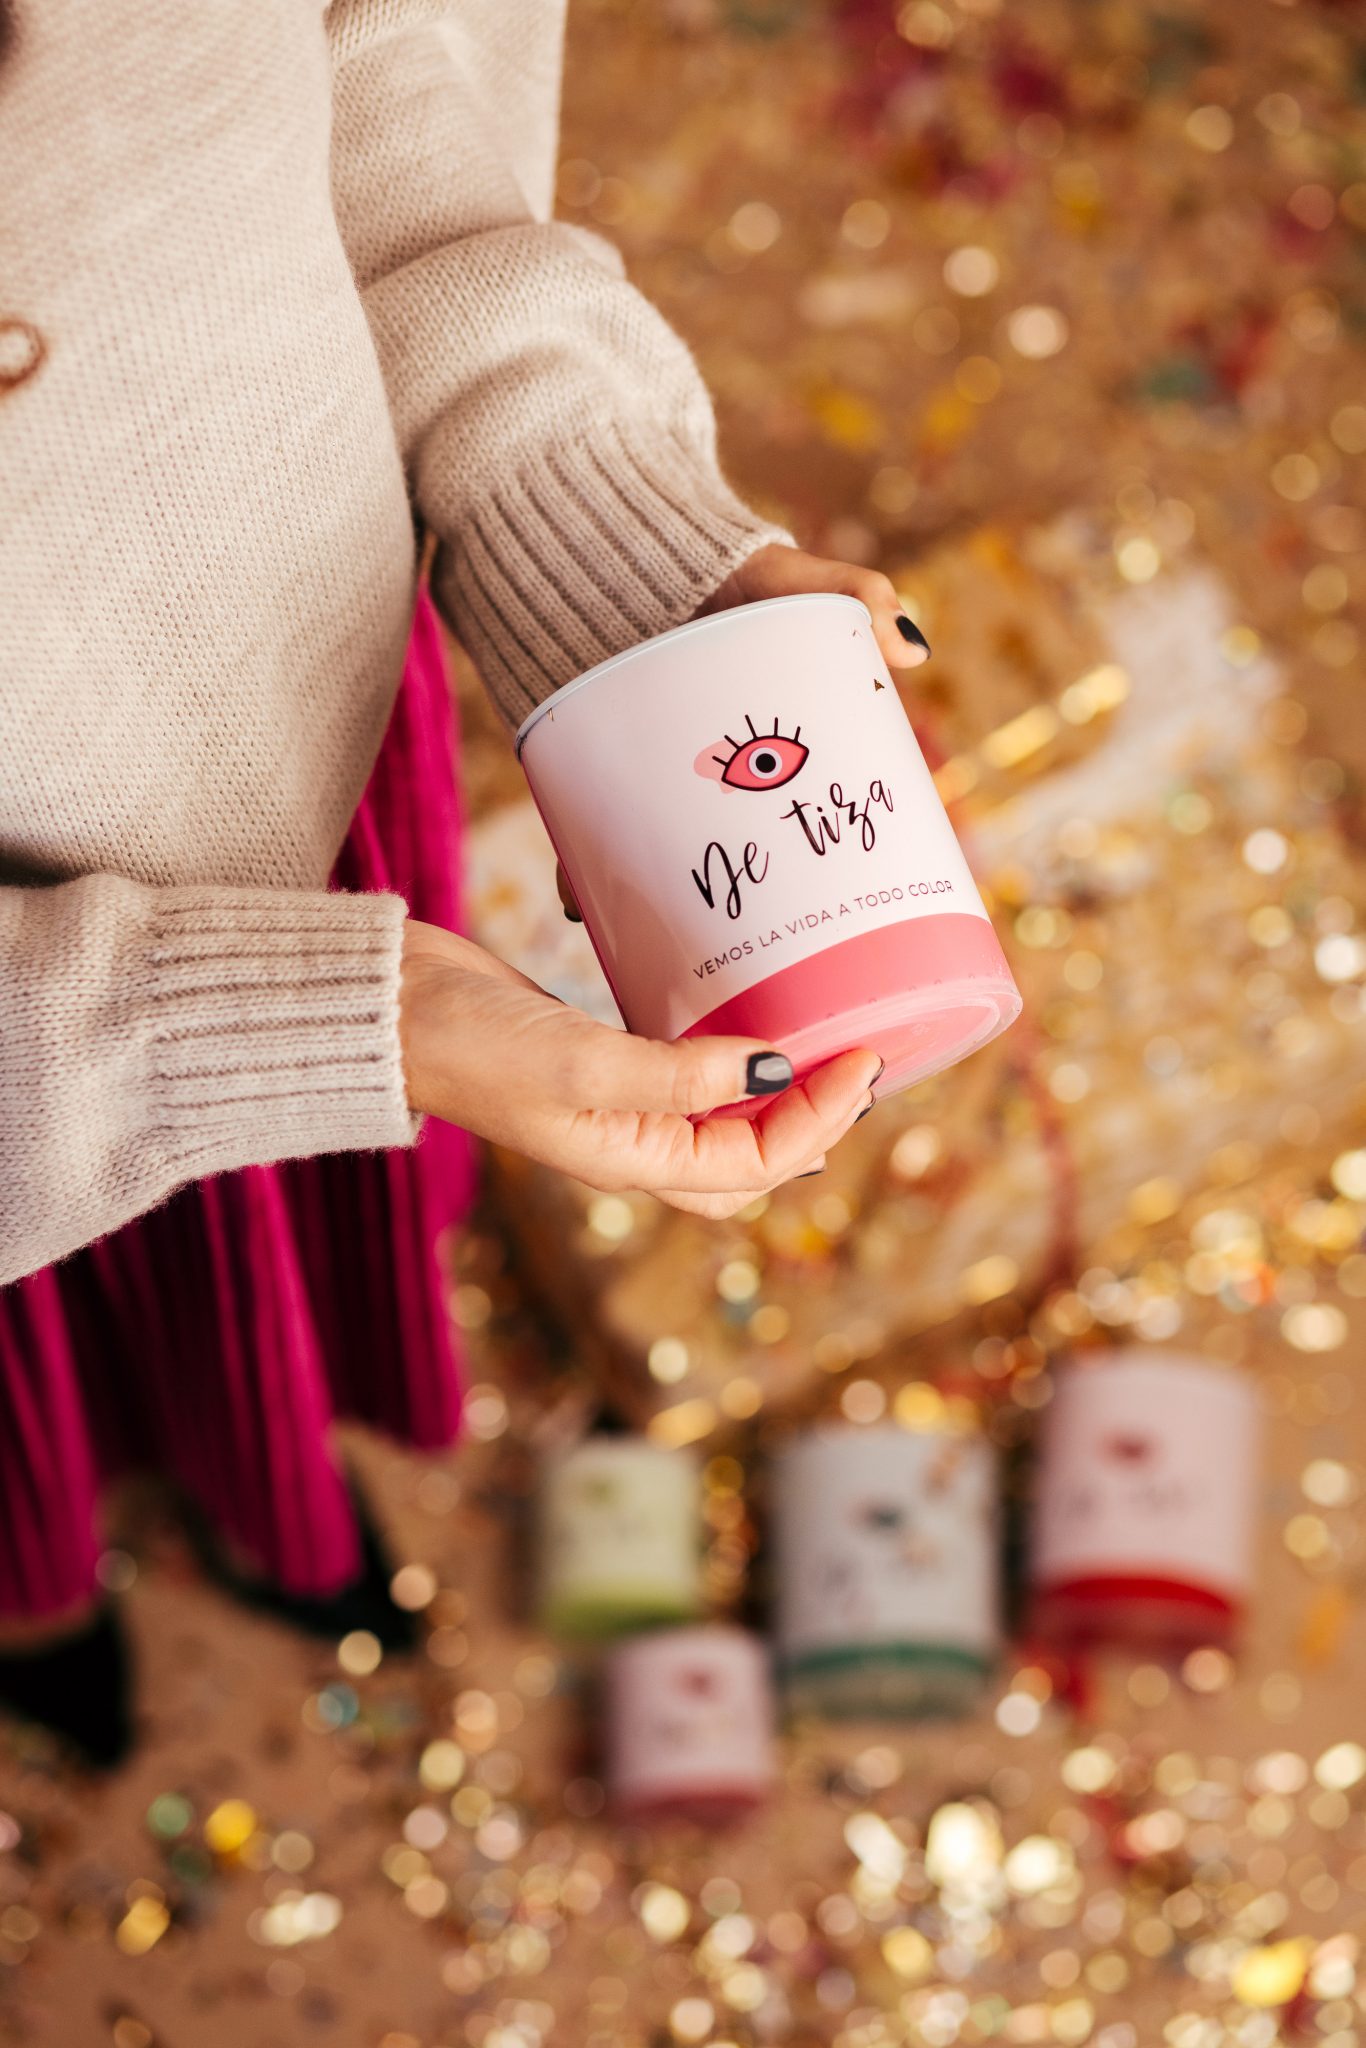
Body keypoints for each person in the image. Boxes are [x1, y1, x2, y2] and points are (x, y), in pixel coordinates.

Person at [0, 0, 930, 1765]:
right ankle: (32, 1590)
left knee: (272, 1284)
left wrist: (602, 545)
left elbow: (362, 52)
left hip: (307, 743)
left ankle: (266, 1501)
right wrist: (275, 1026)